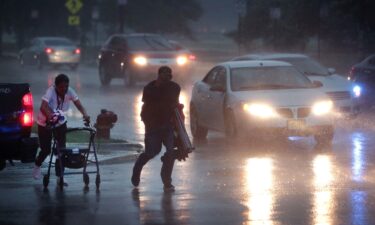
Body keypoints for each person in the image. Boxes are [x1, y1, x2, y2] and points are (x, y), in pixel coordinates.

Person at [32, 74, 90, 186]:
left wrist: (85, 115)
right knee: (46, 150)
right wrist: (50, 118)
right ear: (56, 86)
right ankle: (37, 166)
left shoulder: (70, 91)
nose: (64, 89)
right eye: (61, 87)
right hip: (45, 122)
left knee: (61, 150)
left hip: (60, 122)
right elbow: (43, 106)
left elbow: (79, 105)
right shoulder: (51, 91)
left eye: (66, 86)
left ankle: (60, 177)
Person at [131, 66, 181, 191]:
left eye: (169, 74)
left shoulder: (175, 87)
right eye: (164, 74)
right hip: (153, 126)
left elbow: (175, 104)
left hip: (168, 126)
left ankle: (167, 182)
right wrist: (147, 122)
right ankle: (137, 169)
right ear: (158, 75)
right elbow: (148, 103)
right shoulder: (149, 88)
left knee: (170, 153)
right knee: (151, 152)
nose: (167, 76)